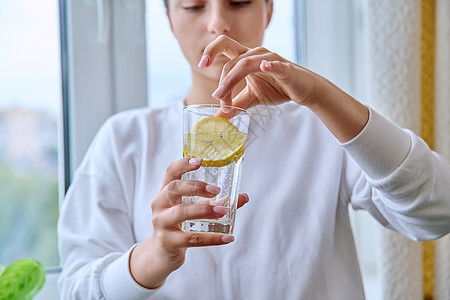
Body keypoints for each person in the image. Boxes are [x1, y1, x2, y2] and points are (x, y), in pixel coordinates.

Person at [58, 0, 450, 299]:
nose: (217, 23)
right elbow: (75, 288)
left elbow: (437, 212)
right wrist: (153, 256)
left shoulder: (323, 127)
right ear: (169, 20)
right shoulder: (124, 140)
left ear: (269, 10)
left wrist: (320, 95)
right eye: (193, 5)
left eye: (240, 1)